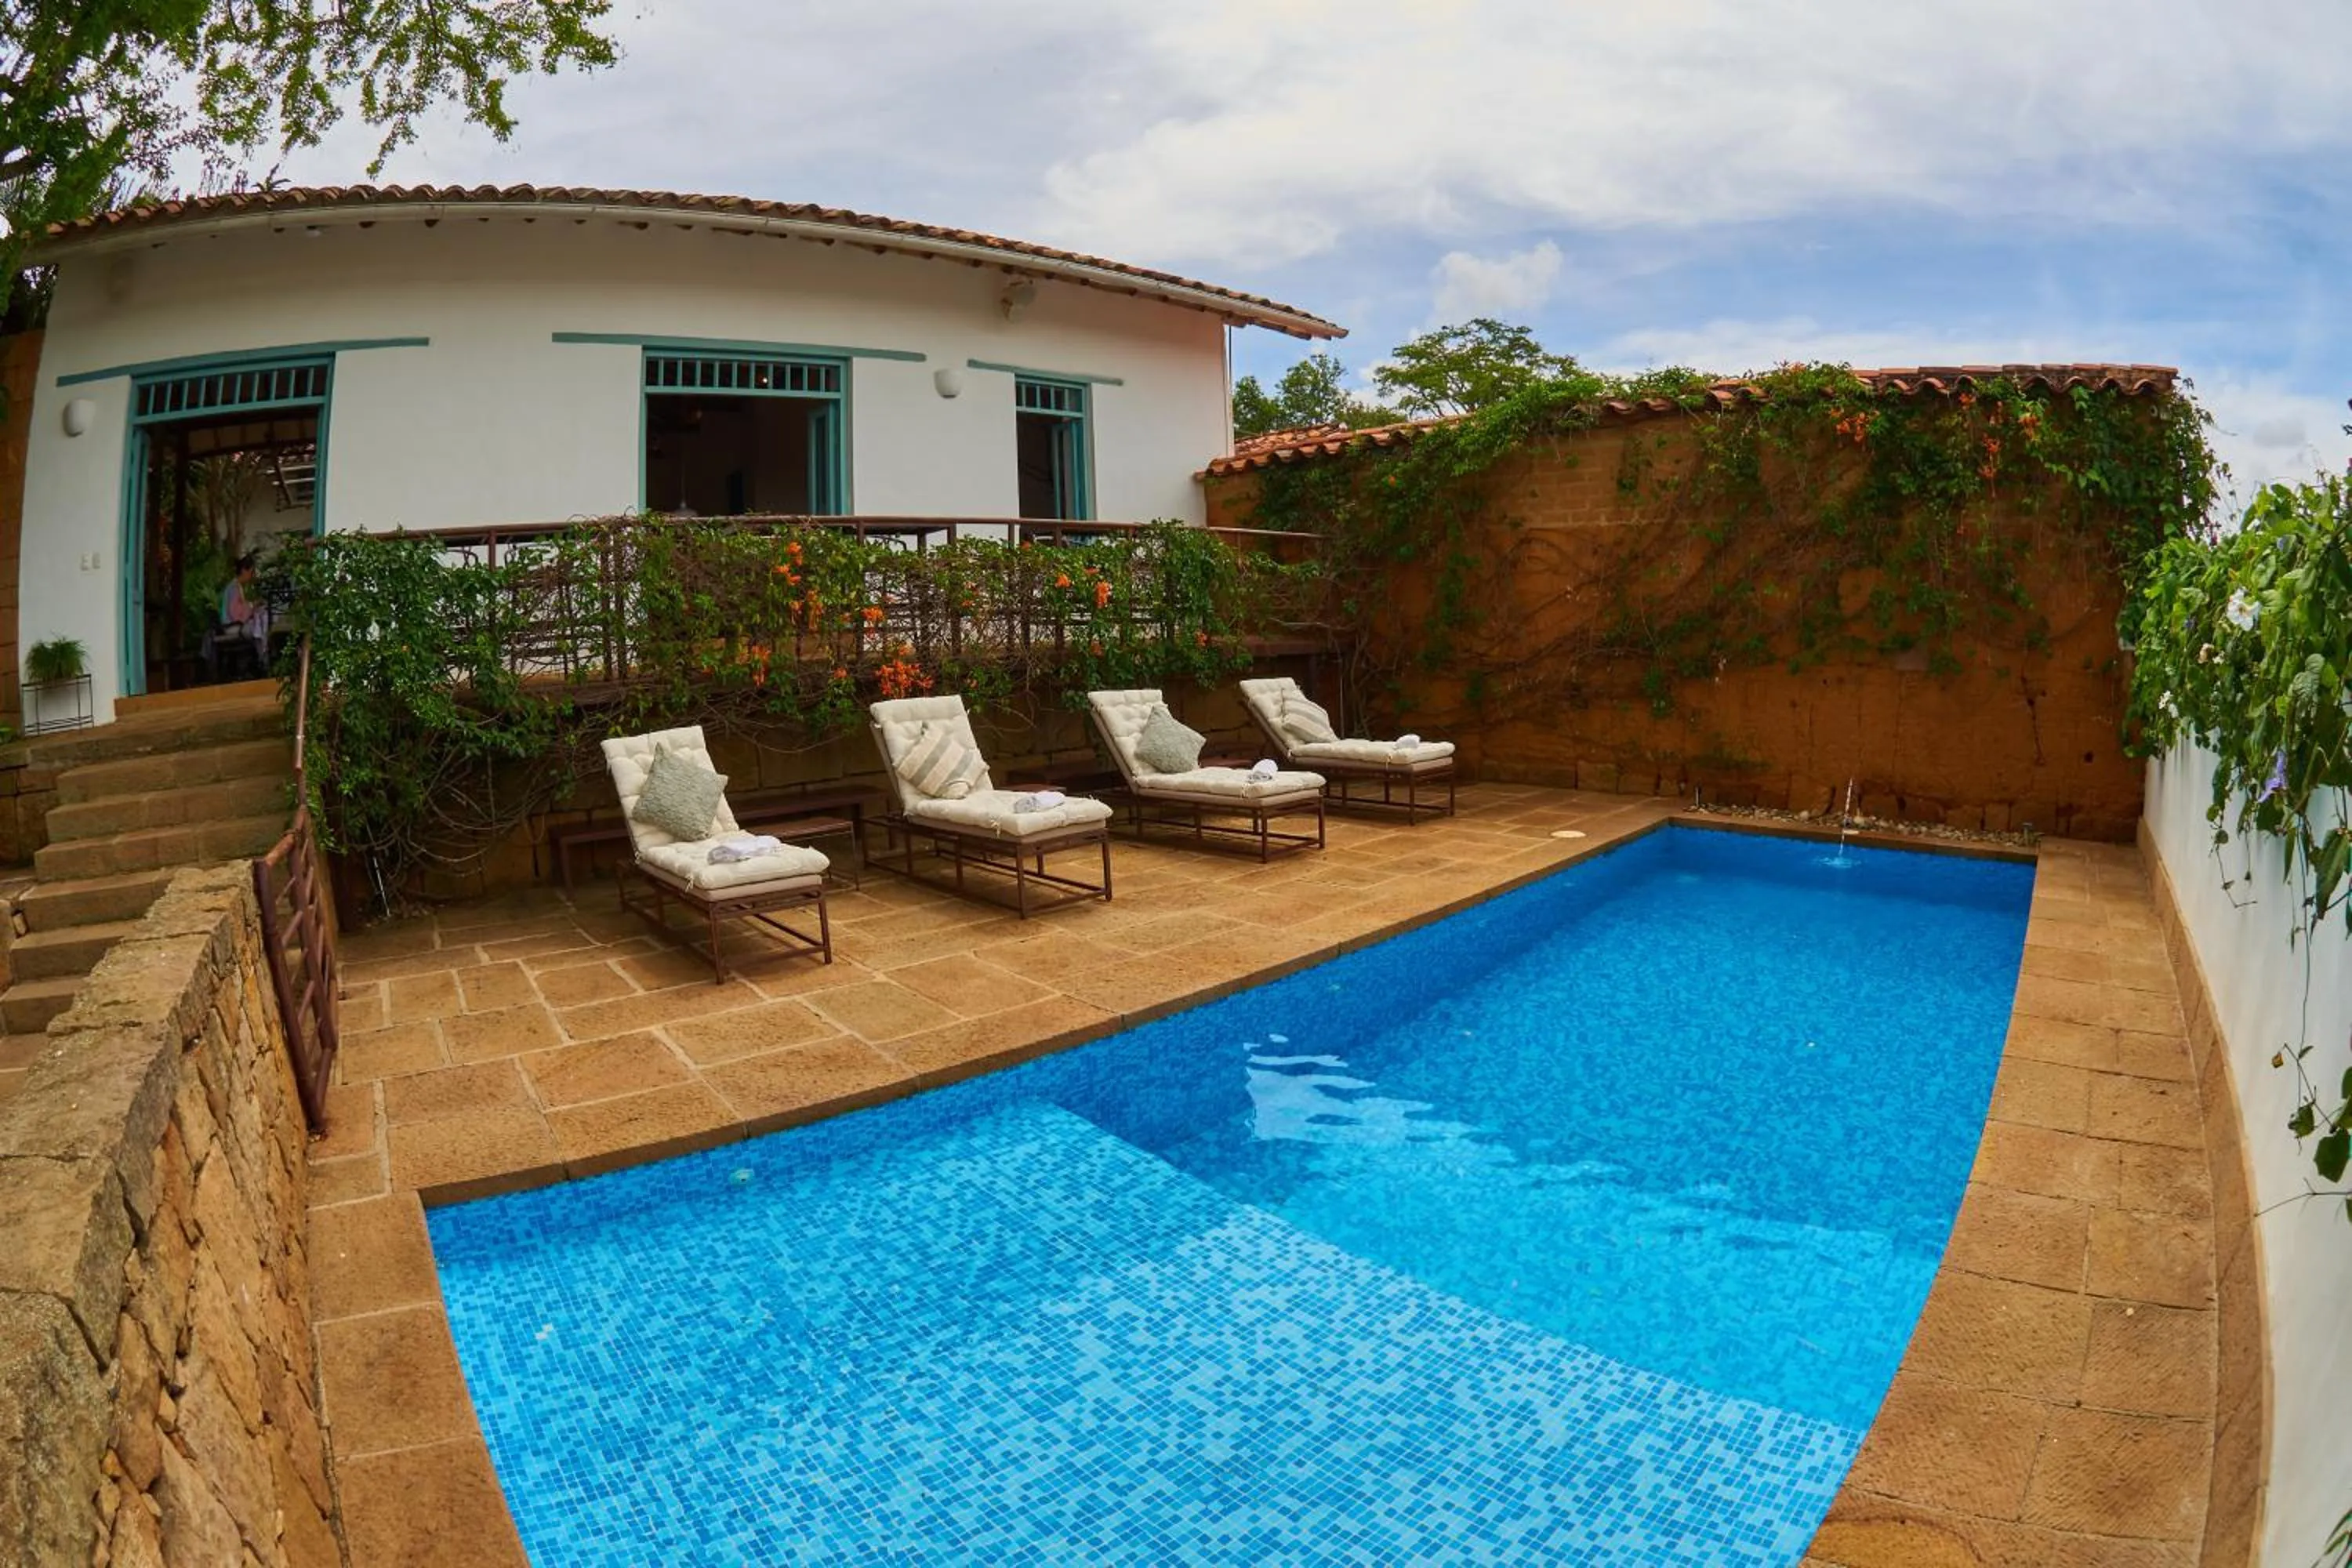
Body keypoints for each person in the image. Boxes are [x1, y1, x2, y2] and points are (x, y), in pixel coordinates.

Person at [220, 553, 269, 644]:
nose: (252, 576)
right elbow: (236, 614)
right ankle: (262, 654)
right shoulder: (233, 588)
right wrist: (253, 606)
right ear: (244, 571)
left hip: (236, 624)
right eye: (251, 573)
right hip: (231, 626)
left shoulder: (237, 586)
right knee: (258, 629)